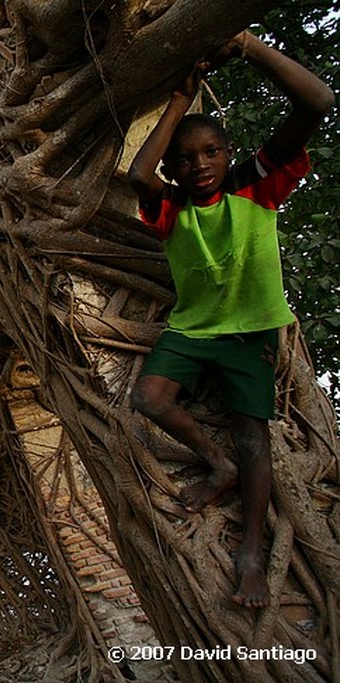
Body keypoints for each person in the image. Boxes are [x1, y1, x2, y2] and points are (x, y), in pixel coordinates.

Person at [127, 32, 333, 608]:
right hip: (192, 330)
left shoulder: (257, 185)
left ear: (228, 151)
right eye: (186, 159)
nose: (200, 166)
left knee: (253, 436)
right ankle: (216, 464)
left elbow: (317, 102)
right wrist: (179, 98)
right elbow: (140, 178)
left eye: (210, 153)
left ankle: (250, 557)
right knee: (149, 398)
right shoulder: (171, 209)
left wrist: (245, 45)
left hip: (251, 332)